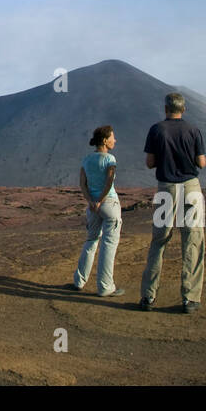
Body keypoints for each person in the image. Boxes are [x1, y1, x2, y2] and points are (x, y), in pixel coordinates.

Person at [138, 93, 206, 314]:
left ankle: (148, 297)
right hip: (191, 188)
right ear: (183, 109)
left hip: (166, 188)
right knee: (192, 239)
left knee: (159, 240)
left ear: (165, 109)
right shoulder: (193, 130)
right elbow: (202, 163)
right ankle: (190, 299)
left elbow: (150, 163)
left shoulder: (156, 130)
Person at [73, 125, 124, 297]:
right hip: (109, 204)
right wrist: (101, 200)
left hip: (93, 206)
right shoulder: (110, 159)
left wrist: (92, 201)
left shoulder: (86, 160)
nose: (114, 140)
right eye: (112, 137)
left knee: (91, 241)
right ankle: (105, 286)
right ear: (105, 140)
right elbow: (109, 181)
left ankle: (79, 281)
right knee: (108, 245)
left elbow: (82, 184)